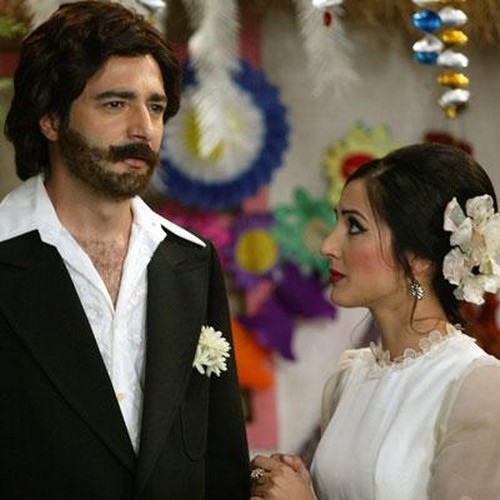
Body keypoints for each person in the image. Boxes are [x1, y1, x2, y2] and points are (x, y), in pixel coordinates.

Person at [0, 1, 250, 498]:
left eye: (155, 107)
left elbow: (221, 459)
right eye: (115, 104)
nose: (143, 129)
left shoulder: (192, 260)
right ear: (50, 119)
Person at [250, 143, 500, 499]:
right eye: (337, 221)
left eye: (354, 226)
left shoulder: (478, 385)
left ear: (419, 257)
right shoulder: (349, 377)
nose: (327, 245)